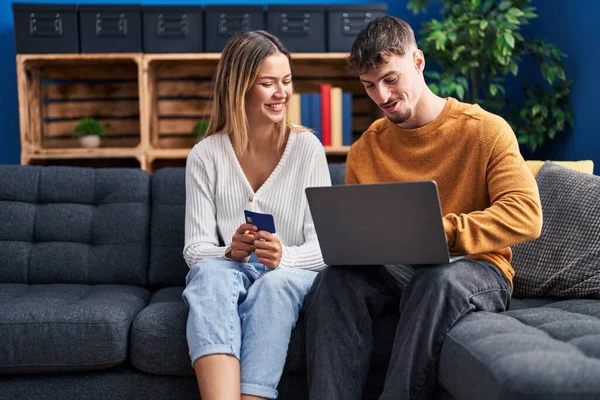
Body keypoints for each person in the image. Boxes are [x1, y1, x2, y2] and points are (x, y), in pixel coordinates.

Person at [304, 16, 543, 400]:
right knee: (336, 280)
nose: (381, 96)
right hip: (399, 271)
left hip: (477, 269)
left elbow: (526, 214)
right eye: (369, 86)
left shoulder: (484, 129)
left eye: (390, 78)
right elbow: (359, 237)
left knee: (436, 278)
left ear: (418, 61)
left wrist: (441, 232)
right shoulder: (367, 148)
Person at [182, 30, 330, 400]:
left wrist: (286, 257)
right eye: (268, 83)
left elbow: (327, 246)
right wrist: (230, 252)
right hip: (231, 267)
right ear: (239, 87)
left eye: (287, 81)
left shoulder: (307, 149)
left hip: (290, 273)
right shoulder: (205, 155)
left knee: (273, 286)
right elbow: (194, 251)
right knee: (209, 275)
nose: (282, 92)